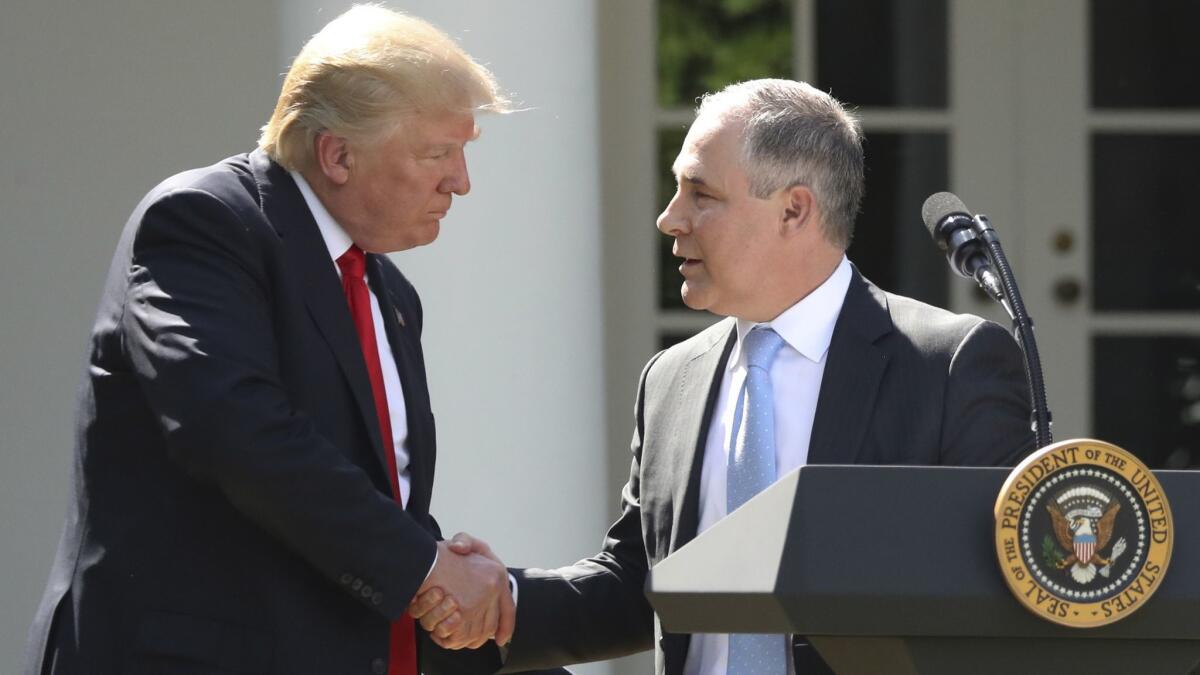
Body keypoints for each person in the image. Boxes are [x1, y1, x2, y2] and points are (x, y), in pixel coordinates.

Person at [416, 79, 1035, 674]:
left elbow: (992, 600)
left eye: (700, 194)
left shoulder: (949, 366)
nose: (669, 218)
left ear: (794, 210)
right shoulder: (671, 380)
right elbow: (642, 585)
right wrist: (503, 603)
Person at [24, 6, 520, 675]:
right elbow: (238, 431)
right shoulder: (203, 224)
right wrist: (426, 567)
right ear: (336, 154)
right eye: (437, 153)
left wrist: (457, 587)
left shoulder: (392, 297)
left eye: (463, 153)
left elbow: (361, 511)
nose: (460, 181)